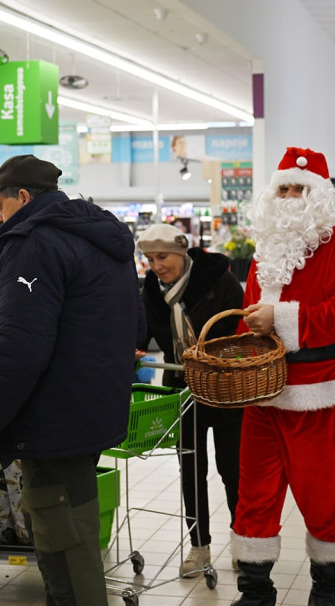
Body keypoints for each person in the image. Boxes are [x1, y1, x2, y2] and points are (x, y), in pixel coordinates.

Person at [0, 154, 145, 606]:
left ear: (23, 197)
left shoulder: (35, 245)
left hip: (54, 418)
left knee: (66, 555)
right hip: (86, 411)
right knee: (72, 533)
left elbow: (18, 356)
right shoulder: (98, 237)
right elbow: (136, 327)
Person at [231, 147, 335, 606]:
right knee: (254, 489)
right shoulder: (266, 250)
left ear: (320, 196)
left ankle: (326, 591)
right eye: (284, 189)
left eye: (301, 189)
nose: (291, 196)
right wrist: (238, 345)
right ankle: (255, 592)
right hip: (264, 390)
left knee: (324, 491)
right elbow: (251, 314)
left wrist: (280, 318)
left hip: (322, 391)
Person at [136, 222, 245, 578]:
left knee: (233, 470)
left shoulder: (219, 281)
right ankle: (199, 546)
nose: (157, 266)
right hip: (181, 389)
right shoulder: (152, 289)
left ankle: (243, 543)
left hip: (224, 388)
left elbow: (239, 331)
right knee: (191, 472)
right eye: (150, 259)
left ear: (182, 252)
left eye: (163, 256)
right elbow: (147, 332)